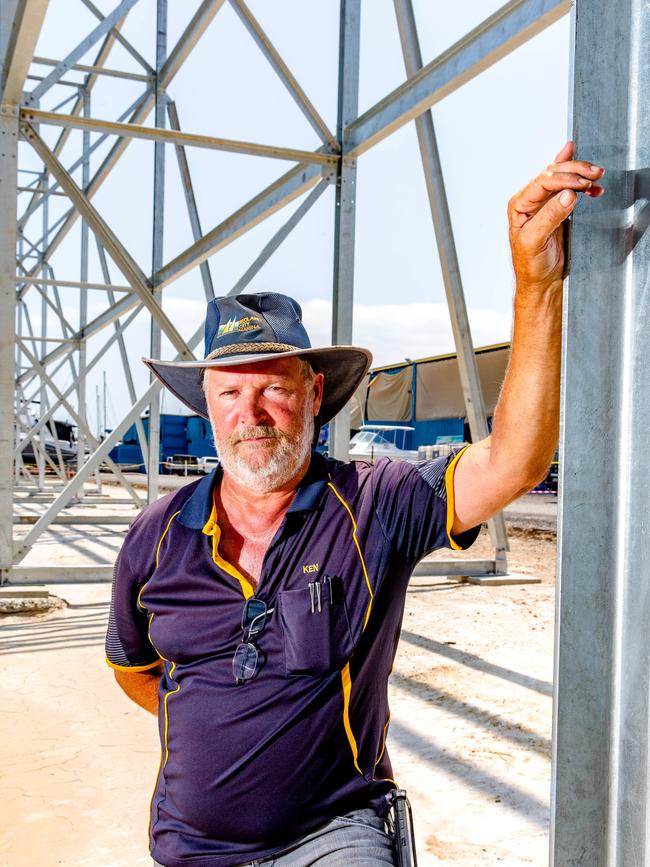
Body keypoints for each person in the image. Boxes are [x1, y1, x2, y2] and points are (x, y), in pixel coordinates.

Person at [105, 143, 604, 867]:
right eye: (230, 393)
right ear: (207, 407)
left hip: (332, 834)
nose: (253, 412)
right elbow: (135, 669)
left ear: (313, 394)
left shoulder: (375, 502)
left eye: (274, 387)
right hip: (189, 845)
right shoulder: (155, 536)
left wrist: (536, 287)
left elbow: (513, 461)